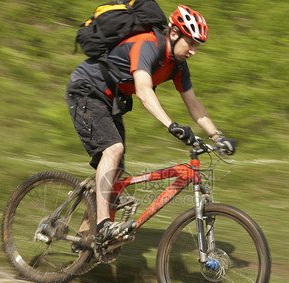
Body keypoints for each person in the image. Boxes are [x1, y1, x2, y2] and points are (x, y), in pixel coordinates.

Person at [66, 5, 235, 246]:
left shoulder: (177, 65)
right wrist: (171, 125)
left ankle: (85, 241)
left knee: (116, 172)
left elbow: (193, 103)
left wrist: (217, 137)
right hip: (87, 90)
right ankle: (102, 225)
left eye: (198, 45)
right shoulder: (148, 45)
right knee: (113, 150)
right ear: (174, 34)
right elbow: (144, 91)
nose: (194, 51)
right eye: (192, 43)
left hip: (111, 101)